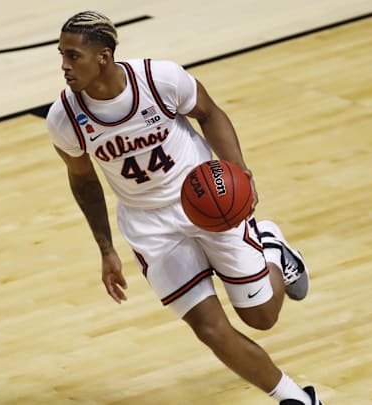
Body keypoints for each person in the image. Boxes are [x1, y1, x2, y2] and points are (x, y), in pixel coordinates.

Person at [45, 10, 325, 405]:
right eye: (62, 55)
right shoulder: (64, 119)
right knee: (210, 329)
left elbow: (209, 113)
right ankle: (296, 398)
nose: (64, 66)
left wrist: (240, 173)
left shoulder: (160, 80)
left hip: (207, 198)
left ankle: (274, 247)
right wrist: (106, 249)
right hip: (149, 225)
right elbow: (84, 180)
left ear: (103, 56)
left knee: (261, 317)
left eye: (73, 56)